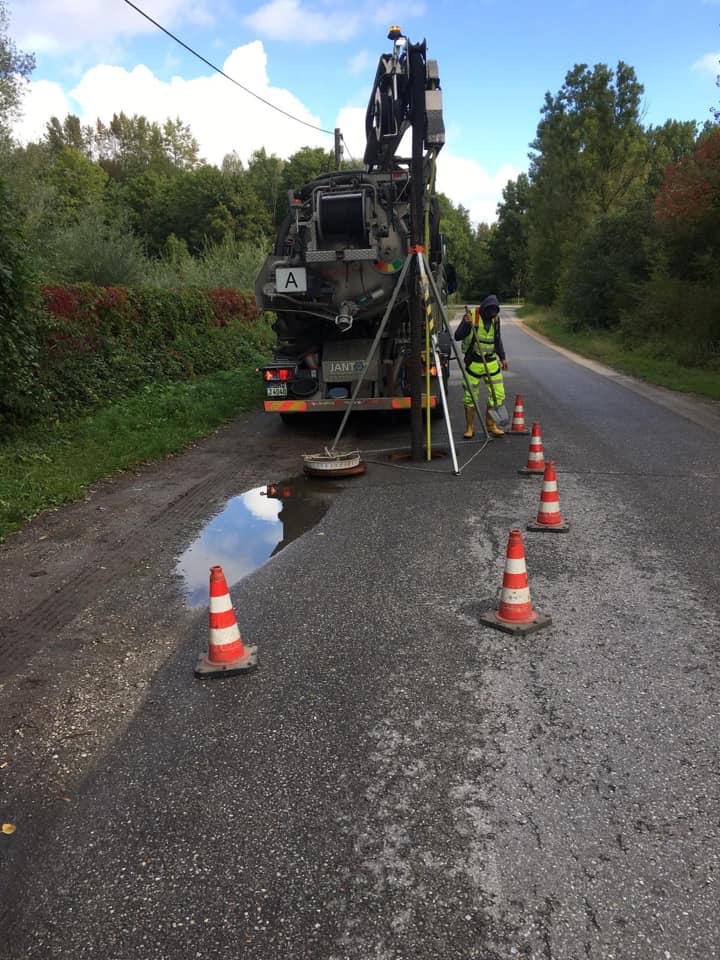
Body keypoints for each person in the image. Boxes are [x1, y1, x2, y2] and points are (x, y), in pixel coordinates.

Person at [454, 294, 508, 438]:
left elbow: (497, 339)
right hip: (474, 363)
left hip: (490, 363)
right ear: (484, 310)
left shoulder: (495, 319)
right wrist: (466, 324)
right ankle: (470, 428)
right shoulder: (471, 316)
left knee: (498, 394)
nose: (492, 317)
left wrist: (502, 357)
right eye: (489, 315)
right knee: (470, 397)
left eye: (494, 315)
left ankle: (491, 425)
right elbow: (457, 336)